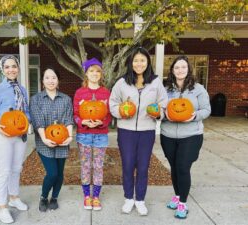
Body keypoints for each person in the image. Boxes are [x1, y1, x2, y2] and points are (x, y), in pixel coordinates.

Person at [109, 46, 168, 215]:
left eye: (142, 60)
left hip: (146, 131)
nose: (139, 63)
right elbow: (112, 103)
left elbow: (164, 104)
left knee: (143, 167)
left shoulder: (156, 82)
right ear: (131, 62)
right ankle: (128, 198)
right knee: (128, 166)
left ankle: (140, 200)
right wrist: (120, 111)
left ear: (148, 62)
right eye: (136, 60)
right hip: (126, 131)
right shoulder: (122, 82)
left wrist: (158, 114)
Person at [160, 55, 211, 219]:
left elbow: (206, 110)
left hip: (191, 135)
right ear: (172, 70)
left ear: (188, 69)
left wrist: (194, 116)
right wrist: (164, 114)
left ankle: (183, 202)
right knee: (174, 167)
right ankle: (177, 194)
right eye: (177, 67)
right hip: (168, 134)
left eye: (183, 67)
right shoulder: (165, 89)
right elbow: (159, 110)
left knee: (182, 166)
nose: (180, 70)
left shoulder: (198, 89)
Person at [0, 55, 30, 224]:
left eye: (14, 66)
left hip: (19, 135)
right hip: (2, 135)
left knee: (16, 168)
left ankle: (14, 197)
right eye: (7, 67)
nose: (11, 69)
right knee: (3, 171)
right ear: (2, 70)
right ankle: (1, 208)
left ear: (18, 68)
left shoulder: (23, 89)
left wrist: (29, 122)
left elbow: (25, 111)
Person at [29, 67, 74, 212]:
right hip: (44, 143)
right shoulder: (36, 99)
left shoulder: (66, 99)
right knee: (52, 173)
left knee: (60, 174)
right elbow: (38, 121)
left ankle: (54, 197)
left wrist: (70, 136)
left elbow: (68, 120)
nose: (50, 80)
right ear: (42, 81)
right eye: (47, 77)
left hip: (62, 141)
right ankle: (43, 197)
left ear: (58, 80)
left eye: (53, 77)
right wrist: (44, 138)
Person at [73, 58, 112, 211]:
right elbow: (75, 113)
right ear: (86, 74)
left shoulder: (105, 92)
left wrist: (101, 123)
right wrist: (83, 122)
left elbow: (109, 115)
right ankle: (86, 196)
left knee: (98, 167)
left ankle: (96, 197)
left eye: (97, 71)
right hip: (84, 135)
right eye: (91, 71)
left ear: (101, 74)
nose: (95, 74)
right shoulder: (80, 92)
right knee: (85, 166)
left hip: (101, 135)